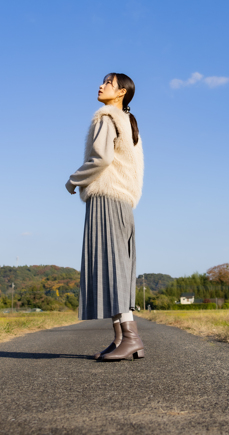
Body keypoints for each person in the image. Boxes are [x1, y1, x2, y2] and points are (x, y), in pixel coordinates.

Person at [65, 73, 145, 361]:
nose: (101, 86)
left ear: (121, 92)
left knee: (112, 268)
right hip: (124, 202)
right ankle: (121, 338)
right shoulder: (129, 123)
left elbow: (101, 158)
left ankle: (131, 338)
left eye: (108, 83)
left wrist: (74, 180)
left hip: (107, 198)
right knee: (117, 266)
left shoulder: (107, 117)